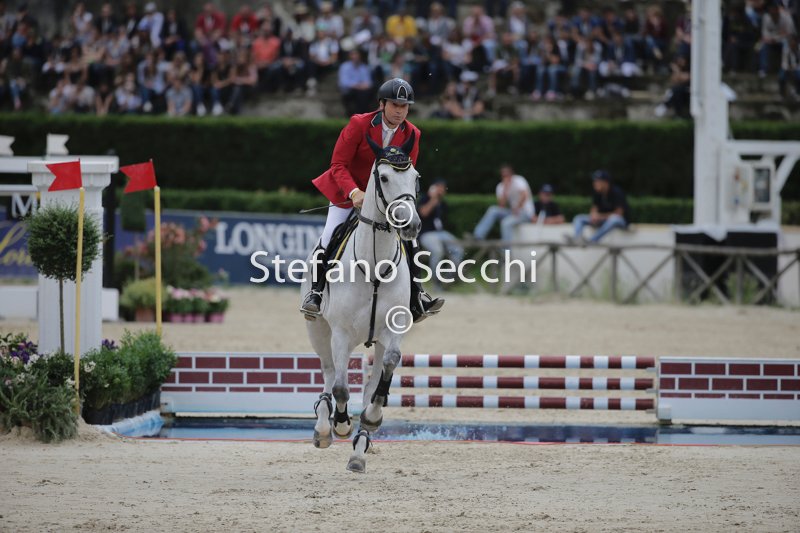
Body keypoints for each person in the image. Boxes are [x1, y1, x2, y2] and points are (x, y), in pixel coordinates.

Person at [300, 78, 444, 323]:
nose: (400, 111)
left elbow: (406, 174)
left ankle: (417, 296)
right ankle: (315, 293)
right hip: (349, 195)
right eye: (395, 105)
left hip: (386, 201)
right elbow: (338, 165)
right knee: (329, 236)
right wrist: (354, 192)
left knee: (410, 239)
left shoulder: (412, 134)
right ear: (382, 104)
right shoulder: (359, 124)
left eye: (404, 106)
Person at [417, 178, 464, 287]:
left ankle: (447, 278)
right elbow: (423, 213)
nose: (442, 190)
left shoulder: (442, 203)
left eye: (443, 188)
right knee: (437, 251)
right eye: (439, 187)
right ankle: (436, 281)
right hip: (426, 234)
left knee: (459, 249)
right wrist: (433, 200)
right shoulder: (425, 198)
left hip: (441, 233)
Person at [471, 164, 534, 244]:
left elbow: (524, 195)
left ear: (512, 174)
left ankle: (506, 251)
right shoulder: (500, 186)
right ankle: (478, 236)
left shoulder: (519, 180)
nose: (506, 177)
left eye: (508, 175)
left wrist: (517, 207)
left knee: (506, 223)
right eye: (504, 176)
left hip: (525, 213)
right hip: (513, 213)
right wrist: (505, 189)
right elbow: (501, 206)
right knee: (493, 210)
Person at [570, 169, 630, 243]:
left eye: (598, 181)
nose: (595, 183)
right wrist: (593, 216)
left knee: (614, 219)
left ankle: (592, 240)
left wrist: (600, 217)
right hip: (604, 220)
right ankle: (577, 239)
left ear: (606, 182)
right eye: (594, 181)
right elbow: (594, 208)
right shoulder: (597, 193)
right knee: (579, 218)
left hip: (621, 222)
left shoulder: (617, 192)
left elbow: (618, 213)